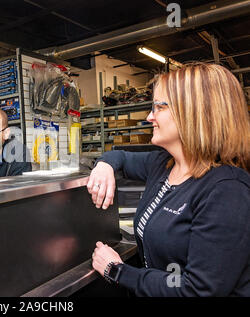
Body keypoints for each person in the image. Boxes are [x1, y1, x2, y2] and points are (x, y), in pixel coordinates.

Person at [87, 63, 249, 296]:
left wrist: (117, 271)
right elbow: (120, 156)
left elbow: (197, 290)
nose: (149, 117)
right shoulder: (163, 163)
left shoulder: (227, 191)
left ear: (196, 112)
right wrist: (104, 165)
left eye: (159, 107)